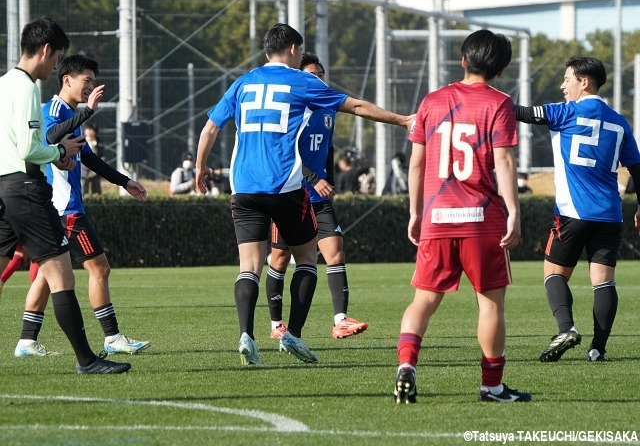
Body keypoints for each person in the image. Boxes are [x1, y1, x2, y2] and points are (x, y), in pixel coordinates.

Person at [195, 23, 414, 366]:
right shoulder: (304, 81)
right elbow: (356, 107)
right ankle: (292, 335)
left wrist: (200, 167)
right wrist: (402, 120)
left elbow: (210, 127)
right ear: (295, 50)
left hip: (243, 188)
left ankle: (246, 336)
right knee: (309, 258)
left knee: (249, 266)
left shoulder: (242, 83)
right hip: (285, 187)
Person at [394, 29, 531, 404]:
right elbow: (502, 159)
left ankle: (407, 365)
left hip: (438, 217)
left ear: (463, 60)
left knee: (423, 300)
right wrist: (514, 212)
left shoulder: (433, 101)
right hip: (481, 220)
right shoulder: (500, 103)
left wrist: (415, 211)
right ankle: (492, 387)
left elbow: (417, 162)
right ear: (501, 69)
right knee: (489, 305)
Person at [0, 17, 130, 374]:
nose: (55, 64)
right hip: (27, 190)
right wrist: (58, 153)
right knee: (62, 276)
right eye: (56, 57)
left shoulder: (2, 84)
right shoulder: (27, 88)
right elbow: (30, 147)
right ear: (45, 51)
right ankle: (87, 360)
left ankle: (33, 342)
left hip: (3, 188)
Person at [14, 54, 150, 358]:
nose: (90, 86)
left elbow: (89, 158)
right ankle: (112, 337)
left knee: (51, 276)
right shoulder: (51, 111)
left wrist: (124, 181)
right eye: (86, 80)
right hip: (66, 211)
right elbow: (49, 137)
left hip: (63, 210)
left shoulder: (69, 114)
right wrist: (87, 113)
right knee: (100, 268)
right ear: (67, 80)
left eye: (92, 80)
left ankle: (26, 340)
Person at [515, 56, 640, 363]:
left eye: (567, 79)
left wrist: (483, 95)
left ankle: (566, 328)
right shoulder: (619, 122)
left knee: (553, 273)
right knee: (604, 281)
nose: (563, 85)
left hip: (572, 212)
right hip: (610, 214)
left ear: (585, 82)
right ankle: (598, 349)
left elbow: (522, 113)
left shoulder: (565, 112)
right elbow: (637, 169)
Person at [266, 52, 368, 341]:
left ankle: (340, 320)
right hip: (291, 194)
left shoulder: (327, 109)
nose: (318, 80)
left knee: (335, 252)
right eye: (312, 75)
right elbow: (286, 152)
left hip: (320, 199)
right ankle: (276, 325)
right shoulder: (294, 110)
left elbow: (328, 148)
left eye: (321, 75)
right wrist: (313, 178)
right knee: (280, 259)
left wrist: (330, 181)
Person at [81, 124, 103, 195]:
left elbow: (102, 156)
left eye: (91, 130)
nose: (89, 132)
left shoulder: (99, 144)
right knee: (83, 191)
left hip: (95, 171)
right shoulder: (81, 142)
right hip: (83, 171)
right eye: (88, 129)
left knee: (96, 191)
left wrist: (97, 168)